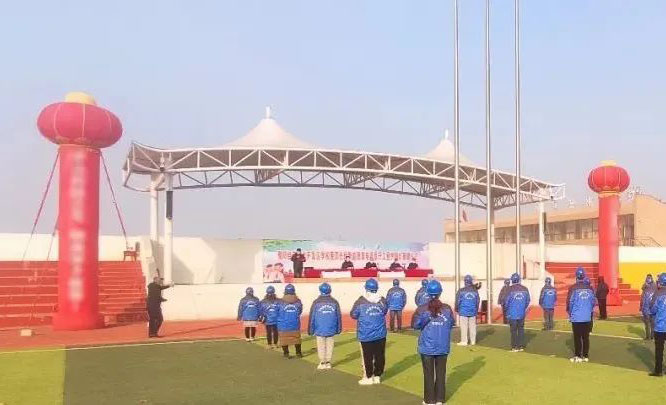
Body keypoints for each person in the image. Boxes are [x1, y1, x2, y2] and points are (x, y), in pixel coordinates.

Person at [412, 280, 455, 405]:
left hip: (427, 347)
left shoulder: (422, 309)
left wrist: (426, 318)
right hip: (442, 346)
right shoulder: (447, 309)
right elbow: (451, 323)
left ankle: (429, 400)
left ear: (427, 292)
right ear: (440, 292)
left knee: (428, 374)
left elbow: (415, 325)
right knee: (441, 374)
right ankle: (440, 399)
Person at [351, 278, 388, 385]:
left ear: (366, 288)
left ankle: (368, 377)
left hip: (366, 334)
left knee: (367, 356)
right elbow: (385, 311)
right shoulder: (382, 300)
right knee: (379, 355)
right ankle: (377, 376)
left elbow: (353, 314)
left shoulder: (360, 301)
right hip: (380, 333)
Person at [308, 283, 342, 370]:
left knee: (321, 345)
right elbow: (338, 316)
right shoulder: (334, 302)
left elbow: (312, 317)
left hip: (319, 328)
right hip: (331, 328)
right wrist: (339, 329)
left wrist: (310, 329)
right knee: (330, 345)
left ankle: (322, 362)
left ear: (320, 291)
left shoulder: (316, 302)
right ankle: (328, 362)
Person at [567, 267, 597, 363]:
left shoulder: (573, 288)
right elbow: (593, 301)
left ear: (576, 276)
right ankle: (585, 356)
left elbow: (570, 302)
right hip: (587, 316)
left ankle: (578, 355)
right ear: (584, 276)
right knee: (585, 337)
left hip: (576, 316)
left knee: (577, 337)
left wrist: (570, 313)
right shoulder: (590, 288)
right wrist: (589, 310)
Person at [505, 273, 531, 352]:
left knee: (513, 331)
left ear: (512, 280)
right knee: (521, 330)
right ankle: (521, 346)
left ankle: (514, 346)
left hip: (512, 313)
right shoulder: (525, 289)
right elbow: (528, 301)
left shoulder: (509, 289)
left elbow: (506, 302)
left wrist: (507, 311)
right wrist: (523, 308)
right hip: (521, 313)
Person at [276, 284, 303, 358]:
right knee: (296, 339)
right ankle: (298, 353)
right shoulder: (298, 301)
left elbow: (277, 312)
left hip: (283, 324)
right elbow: (300, 311)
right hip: (295, 324)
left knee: (283, 339)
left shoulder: (280, 302)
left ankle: (286, 353)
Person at [649, 273, 666, 377]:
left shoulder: (658, 294)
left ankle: (658, 371)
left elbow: (653, 309)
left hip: (660, 327)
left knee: (659, 350)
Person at [455, 275, 480, 346]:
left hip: (463, 311)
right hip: (473, 311)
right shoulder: (475, 291)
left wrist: (457, 309)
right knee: (472, 326)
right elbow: (477, 301)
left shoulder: (461, 291)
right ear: (471, 281)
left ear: (465, 281)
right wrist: (476, 310)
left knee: (464, 326)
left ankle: (464, 341)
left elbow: (457, 301)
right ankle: (473, 341)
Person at [641, 274, 657, 340]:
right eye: (647, 278)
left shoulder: (655, 286)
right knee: (647, 323)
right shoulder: (644, 287)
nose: (648, 279)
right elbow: (642, 298)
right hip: (646, 308)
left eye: (649, 278)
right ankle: (648, 336)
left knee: (652, 323)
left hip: (653, 307)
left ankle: (652, 336)